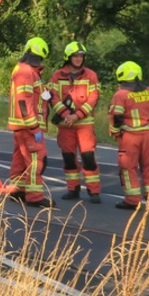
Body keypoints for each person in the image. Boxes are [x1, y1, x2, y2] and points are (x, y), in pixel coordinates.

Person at [108, 61, 149, 211]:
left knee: (128, 169)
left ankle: (132, 200)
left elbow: (117, 116)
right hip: (148, 136)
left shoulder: (121, 94)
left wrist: (115, 131)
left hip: (130, 137)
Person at [49, 41, 102, 203]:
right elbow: (53, 97)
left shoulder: (90, 75)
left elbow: (93, 98)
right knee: (69, 158)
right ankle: (73, 189)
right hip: (65, 125)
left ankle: (94, 191)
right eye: (75, 56)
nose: (79, 59)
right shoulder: (57, 76)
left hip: (84, 124)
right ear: (68, 57)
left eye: (81, 56)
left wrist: (77, 115)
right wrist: (66, 115)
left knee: (88, 157)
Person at [7, 37, 53, 207]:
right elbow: (23, 101)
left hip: (22, 126)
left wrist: (48, 94)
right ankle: (34, 196)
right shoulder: (27, 72)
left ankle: (17, 190)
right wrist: (34, 126)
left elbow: (34, 96)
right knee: (37, 160)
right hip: (28, 126)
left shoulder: (26, 70)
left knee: (20, 160)